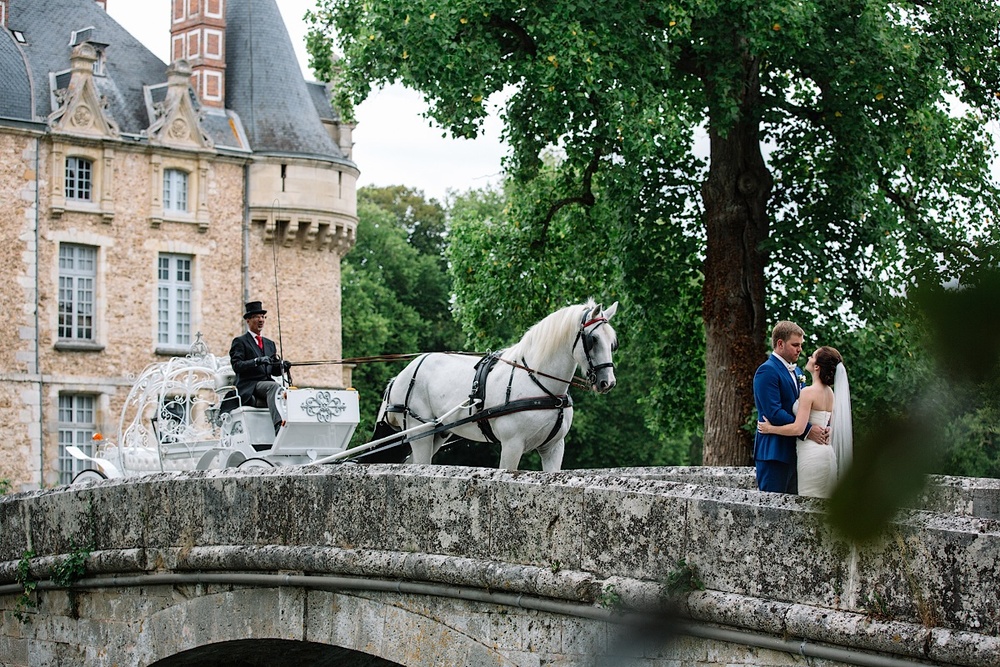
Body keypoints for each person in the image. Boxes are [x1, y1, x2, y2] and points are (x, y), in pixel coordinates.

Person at [758, 346, 854, 498]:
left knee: (809, 500)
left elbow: (797, 428)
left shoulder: (808, 392)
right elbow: (830, 425)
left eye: (812, 356)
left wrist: (770, 429)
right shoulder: (830, 393)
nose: (808, 357)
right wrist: (829, 430)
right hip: (827, 454)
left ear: (817, 366)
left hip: (811, 456)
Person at [753, 321, 829, 493]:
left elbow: (807, 408)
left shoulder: (799, 373)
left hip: (797, 452)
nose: (800, 349)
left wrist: (825, 427)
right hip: (774, 452)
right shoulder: (766, 371)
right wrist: (808, 430)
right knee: (772, 511)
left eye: (801, 345)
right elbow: (774, 412)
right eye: (795, 345)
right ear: (780, 343)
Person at [229, 301, 288, 434]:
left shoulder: (269, 344)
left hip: (265, 385)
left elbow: (273, 370)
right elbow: (237, 366)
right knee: (274, 387)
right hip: (249, 385)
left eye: (263, 317)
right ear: (248, 320)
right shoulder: (240, 342)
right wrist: (256, 361)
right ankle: (279, 426)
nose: (261, 320)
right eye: (257, 317)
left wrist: (283, 366)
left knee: (285, 391)